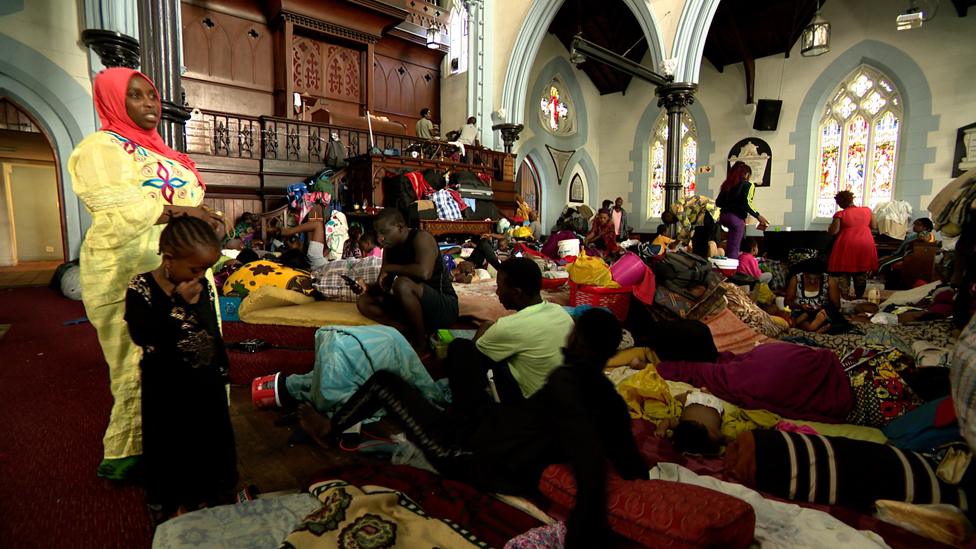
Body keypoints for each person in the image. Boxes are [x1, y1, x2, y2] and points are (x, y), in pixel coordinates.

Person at [299, 308, 646, 547]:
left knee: (386, 384)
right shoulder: (610, 399)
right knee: (464, 351)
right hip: (487, 426)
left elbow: (588, 461)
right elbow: (631, 463)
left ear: (577, 341)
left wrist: (585, 533)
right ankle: (449, 398)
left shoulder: (567, 383)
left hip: (467, 453)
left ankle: (330, 429)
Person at [67, 67, 224, 481]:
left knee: (195, 347)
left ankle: (196, 432)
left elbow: (192, 202)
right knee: (139, 355)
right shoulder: (100, 147)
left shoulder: (168, 153)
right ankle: (129, 446)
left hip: (186, 265)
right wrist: (185, 212)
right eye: (136, 96)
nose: (150, 104)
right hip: (129, 265)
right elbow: (118, 210)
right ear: (114, 101)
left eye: (152, 95)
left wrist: (208, 223)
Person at [124, 215, 237, 524]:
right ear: (169, 260)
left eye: (206, 270)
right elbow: (144, 334)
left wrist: (222, 366)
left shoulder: (198, 285)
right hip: (167, 386)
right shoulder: (141, 287)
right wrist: (178, 304)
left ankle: (212, 493)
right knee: (173, 444)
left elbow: (211, 329)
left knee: (211, 438)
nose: (200, 276)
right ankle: (174, 503)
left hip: (205, 380)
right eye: (196, 269)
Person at [447, 257, 574, 403]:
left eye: (500, 287)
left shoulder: (508, 326)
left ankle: (466, 412)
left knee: (459, 349)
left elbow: (472, 358)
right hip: (562, 395)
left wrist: (485, 327)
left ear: (516, 292)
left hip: (532, 406)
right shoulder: (560, 311)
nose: (497, 292)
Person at [355, 208, 458, 354]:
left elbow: (424, 273)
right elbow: (384, 285)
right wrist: (367, 287)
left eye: (384, 233)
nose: (380, 239)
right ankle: (408, 330)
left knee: (402, 284)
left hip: (443, 306)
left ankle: (421, 343)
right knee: (363, 302)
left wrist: (390, 268)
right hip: (415, 306)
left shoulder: (422, 238)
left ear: (400, 227)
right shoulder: (390, 249)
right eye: (378, 234)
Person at [827, 190, 878, 298]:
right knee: (861, 272)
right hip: (865, 242)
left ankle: (844, 298)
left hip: (847, 244)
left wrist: (830, 227)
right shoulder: (867, 210)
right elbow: (874, 226)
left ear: (840, 202)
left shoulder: (840, 214)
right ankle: (859, 297)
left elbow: (834, 231)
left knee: (844, 272)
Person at [716, 161, 768, 259]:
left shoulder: (727, 185)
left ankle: (726, 268)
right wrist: (758, 216)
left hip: (723, 217)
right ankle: (732, 272)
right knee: (734, 247)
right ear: (746, 174)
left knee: (729, 245)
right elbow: (747, 203)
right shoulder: (748, 185)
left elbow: (718, 202)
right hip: (736, 219)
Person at [785, 259, 843, 332]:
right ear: (804, 274)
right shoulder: (796, 279)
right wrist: (801, 305)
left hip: (822, 312)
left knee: (828, 314)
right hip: (800, 312)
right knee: (804, 322)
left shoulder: (830, 281)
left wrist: (820, 307)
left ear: (821, 275)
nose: (812, 282)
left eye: (817, 278)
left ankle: (809, 325)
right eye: (808, 278)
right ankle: (814, 329)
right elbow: (787, 302)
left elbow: (836, 305)